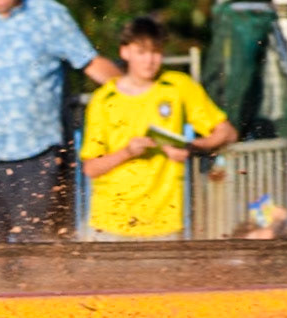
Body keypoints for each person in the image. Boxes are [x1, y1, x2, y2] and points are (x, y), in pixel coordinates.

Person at [0, 0, 119, 242]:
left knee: (41, 255)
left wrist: (142, 97)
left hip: (40, 158)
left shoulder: (50, 14)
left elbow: (90, 62)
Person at [80, 17, 236, 242]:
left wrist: (190, 147)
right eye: (141, 52)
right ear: (125, 52)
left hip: (164, 224)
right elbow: (91, 168)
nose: (150, 60)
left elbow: (227, 133)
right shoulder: (103, 99)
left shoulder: (178, 86)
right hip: (109, 225)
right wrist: (127, 152)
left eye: (156, 52)